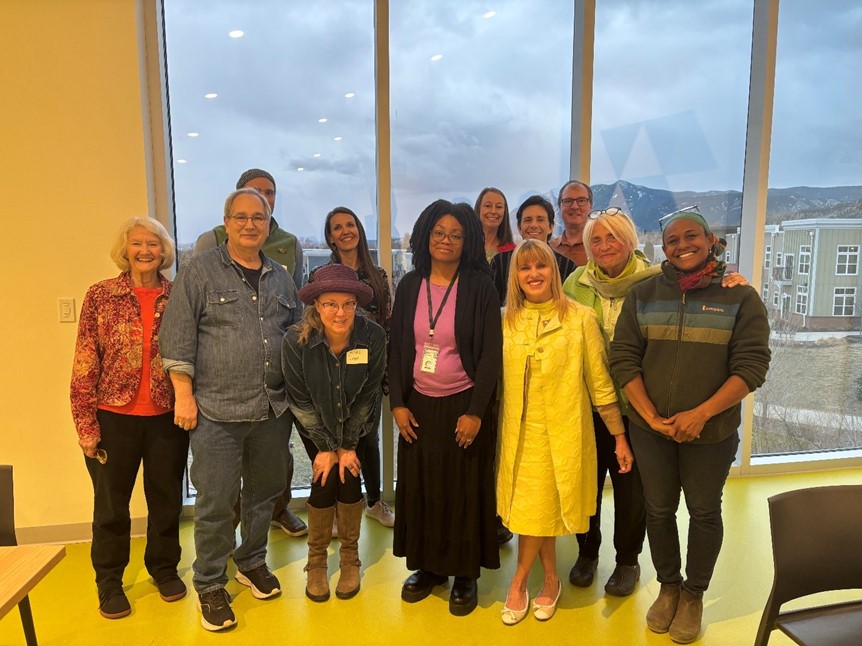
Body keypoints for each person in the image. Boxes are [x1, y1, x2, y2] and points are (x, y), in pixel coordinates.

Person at [563, 207, 751, 597]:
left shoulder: (652, 282)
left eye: (613, 236)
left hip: (636, 407)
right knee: (586, 485)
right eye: (596, 239)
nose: (605, 245)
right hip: (588, 405)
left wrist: (730, 280)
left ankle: (627, 561)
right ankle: (587, 552)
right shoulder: (575, 284)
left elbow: (746, 358)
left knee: (634, 492)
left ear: (630, 240)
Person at [609, 208, 770, 643]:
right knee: (658, 509)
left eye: (691, 236)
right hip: (651, 431)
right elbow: (623, 357)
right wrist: (649, 416)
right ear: (663, 247)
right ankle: (668, 587)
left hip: (711, 433)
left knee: (703, 511)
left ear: (710, 239)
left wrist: (701, 414)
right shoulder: (644, 294)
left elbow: (752, 366)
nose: (683, 245)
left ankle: (694, 594)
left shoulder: (740, 297)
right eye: (673, 239)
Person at [161, 188, 301, 632]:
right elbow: (177, 337)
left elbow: (296, 332)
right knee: (217, 502)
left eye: (258, 217)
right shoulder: (199, 271)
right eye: (240, 217)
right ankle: (209, 582)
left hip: (271, 410)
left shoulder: (281, 278)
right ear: (226, 222)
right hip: (216, 411)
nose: (249, 225)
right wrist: (183, 395)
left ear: (268, 224)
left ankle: (251, 561)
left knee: (264, 495)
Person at [497, 240, 632, 625]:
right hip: (517, 435)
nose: (533, 274)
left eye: (540, 266)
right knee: (537, 510)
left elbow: (600, 383)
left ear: (554, 271)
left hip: (564, 433)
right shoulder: (505, 320)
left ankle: (519, 582)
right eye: (525, 268)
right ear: (515, 276)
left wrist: (618, 436)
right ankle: (551, 579)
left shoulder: (580, 319)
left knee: (538, 509)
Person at [70, 217, 188, 619]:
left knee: (166, 501)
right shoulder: (101, 295)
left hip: (166, 418)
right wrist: (86, 425)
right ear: (125, 250)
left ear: (164, 251)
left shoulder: (178, 296)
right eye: (137, 243)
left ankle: (164, 569)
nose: (145, 251)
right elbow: (85, 361)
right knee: (110, 508)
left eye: (153, 244)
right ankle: (108, 582)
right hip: (113, 418)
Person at [389, 200, 502, 616]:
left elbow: (490, 356)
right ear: (425, 236)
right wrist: (397, 403)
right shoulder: (410, 285)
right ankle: (429, 568)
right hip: (419, 404)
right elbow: (397, 347)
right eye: (439, 232)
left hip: (464, 403)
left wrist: (476, 412)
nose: (446, 241)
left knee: (464, 491)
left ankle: (465, 573)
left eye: (456, 234)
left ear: (468, 240)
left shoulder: (480, 286)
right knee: (424, 488)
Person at [193, 168, 307, 539]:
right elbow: (190, 314)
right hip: (220, 400)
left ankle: (277, 514)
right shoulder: (209, 245)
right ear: (229, 219)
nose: (252, 221)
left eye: (269, 194)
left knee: (273, 470)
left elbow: (294, 310)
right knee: (219, 488)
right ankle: (220, 549)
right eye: (253, 193)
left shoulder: (289, 246)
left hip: (272, 397)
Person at [283, 264, 386, 602]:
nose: (340, 313)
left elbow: (369, 393)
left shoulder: (372, 336)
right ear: (316, 305)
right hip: (314, 423)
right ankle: (316, 562)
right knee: (324, 476)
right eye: (330, 304)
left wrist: (348, 444)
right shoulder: (295, 341)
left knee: (349, 474)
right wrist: (327, 447)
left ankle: (349, 558)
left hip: (357, 420)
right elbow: (300, 400)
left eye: (348, 304)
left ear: (357, 304)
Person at [311, 206, 393, 528]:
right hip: (332, 370)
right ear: (330, 237)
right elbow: (313, 323)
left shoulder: (378, 275)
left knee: (368, 438)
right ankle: (337, 508)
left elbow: (386, 321)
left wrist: (384, 369)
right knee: (335, 440)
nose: (345, 231)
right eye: (337, 227)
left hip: (369, 370)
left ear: (359, 229)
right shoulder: (321, 275)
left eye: (350, 225)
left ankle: (373, 501)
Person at [491, 195, 577, 304]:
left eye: (540, 220)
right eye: (528, 220)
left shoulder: (567, 266)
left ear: (551, 227)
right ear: (519, 228)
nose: (534, 225)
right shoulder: (500, 262)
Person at [550, 180, 592, 266]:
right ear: (559, 207)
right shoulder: (550, 249)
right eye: (568, 201)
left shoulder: (600, 247)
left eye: (581, 201)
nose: (574, 207)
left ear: (591, 206)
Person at [475, 187, 516, 262]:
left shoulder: (513, 252)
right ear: (479, 208)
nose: (493, 211)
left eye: (499, 207)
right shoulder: (463, 245)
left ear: (504, 212)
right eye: (488, 206)